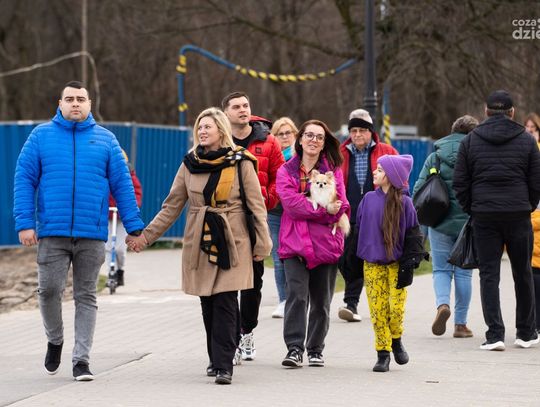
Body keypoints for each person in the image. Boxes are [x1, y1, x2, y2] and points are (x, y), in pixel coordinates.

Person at [126, 107, 271, 385]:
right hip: (200, 239)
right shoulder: (190, 163)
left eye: (208, 127)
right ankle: (215, 358)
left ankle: (224, 364)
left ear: (221, 130)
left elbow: (257, 206)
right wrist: (145, 237)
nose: (202, 131)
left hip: (233, 239)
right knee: (208, 301)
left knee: (226, 300)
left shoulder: (241, 162)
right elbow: (171, 206)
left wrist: (262, 243)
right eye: (200, 127)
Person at [13, 81, 144, 381]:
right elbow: (24, 179)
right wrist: (25, 223)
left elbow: (123, 186)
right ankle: (55, 339)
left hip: (92, 233)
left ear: (89, 104)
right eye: (70, 99)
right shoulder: (40, 136)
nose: (75, 104)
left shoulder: (106, 140)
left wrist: (134, 227)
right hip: (52, 232)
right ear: (59, 104)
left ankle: (81, 360)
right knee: (49, 291)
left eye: (81, 99)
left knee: (86, 295)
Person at [453, 90, 540, 351]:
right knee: (523, 272)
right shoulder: (527, 140)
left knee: (489, 274)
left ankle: (495, 335)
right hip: (518, 214)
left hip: (484, 215)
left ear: (486, 111)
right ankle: (526, 333)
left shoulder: (470, 141)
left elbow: (460, 183)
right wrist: (527, 205)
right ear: (512, 112)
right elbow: (536, 182)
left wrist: (474, 208)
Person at [277, 119, 349, 368]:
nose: (313, 140)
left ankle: (316, 349)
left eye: (319, 137)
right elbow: (291, 205)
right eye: (309, 135)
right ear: (300, 139)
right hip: (294, 244)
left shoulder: (333, 171)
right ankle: (294, 348)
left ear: (324, 143)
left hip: (325, 245)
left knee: (321, 302)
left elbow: (342, 205)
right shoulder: (286, 170)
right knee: (296, 297)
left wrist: (327, 209)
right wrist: (324, 210)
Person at [222, 91, 284, 362]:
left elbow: (280, 176)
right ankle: (230, 338)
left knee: (252, 281)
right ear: (226, 112)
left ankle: (246, 331)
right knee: (226, 280)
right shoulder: (220, 139)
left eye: (245, 105)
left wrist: (266, 199)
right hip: (225, 219)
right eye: (236, 106)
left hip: (257, 220)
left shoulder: (268, 141)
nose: (242, 110)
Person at [413, 115, 479, 338]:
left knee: (441, 269)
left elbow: (418, 190)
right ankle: (460, 325)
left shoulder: (435, 157)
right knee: (464, 273)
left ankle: (443, 305)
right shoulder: (476, 156)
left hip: (439, 222)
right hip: (468, 224)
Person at [356, 154, 420, 372]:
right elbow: (359, 228)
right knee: (378, 310)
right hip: (372, 265)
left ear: (391, 176)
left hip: (397, 265)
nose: (375, 172)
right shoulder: (368, 200)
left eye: (380, 170)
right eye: (376, 168)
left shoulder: (406, 203)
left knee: (396, 308)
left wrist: (411, 261)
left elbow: (413, 234)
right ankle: (383, 353)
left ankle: (396, 339)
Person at [338, 108, 398, 322]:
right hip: (348, 216)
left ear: (371, 131)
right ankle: (352, 302)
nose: (357, 135)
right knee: (345, 259)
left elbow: (400, 182)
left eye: (362, 130)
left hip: (378, 217)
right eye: (353, 130)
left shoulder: (387, 152)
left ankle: (353, 303)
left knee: (378, 261)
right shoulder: (340, 153)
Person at [268, 117, 298, 318]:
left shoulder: (301, 156)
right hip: (276, 212)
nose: (285, 137)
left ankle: (299, 299)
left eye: (288, 133)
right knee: (279, 257)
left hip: (297, 212)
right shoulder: (272, 157)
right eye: (280, 134)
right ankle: (283, 300)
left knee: (298, 256)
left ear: (295, 135)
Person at [104, 149, 143, 287]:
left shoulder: (129, 176)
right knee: (108, 247)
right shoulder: (103, 174)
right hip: (107, 215)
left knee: (120, 248)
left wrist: (131, 207)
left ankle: (120, 270)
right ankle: (111, 273)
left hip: (121, 217)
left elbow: (136, 193)